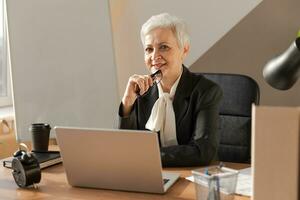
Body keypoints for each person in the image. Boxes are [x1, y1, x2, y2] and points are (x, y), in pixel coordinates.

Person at [118, 13, 223, 167]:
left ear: (184, 51)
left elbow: (203, 151)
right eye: (148, 49)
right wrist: (127, 103)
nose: (154, 56)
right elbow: (123, 149)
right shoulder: (140, 91)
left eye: (164, 47)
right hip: (148, 175)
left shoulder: (206, 91)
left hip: (191, 177)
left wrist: (149, 157)